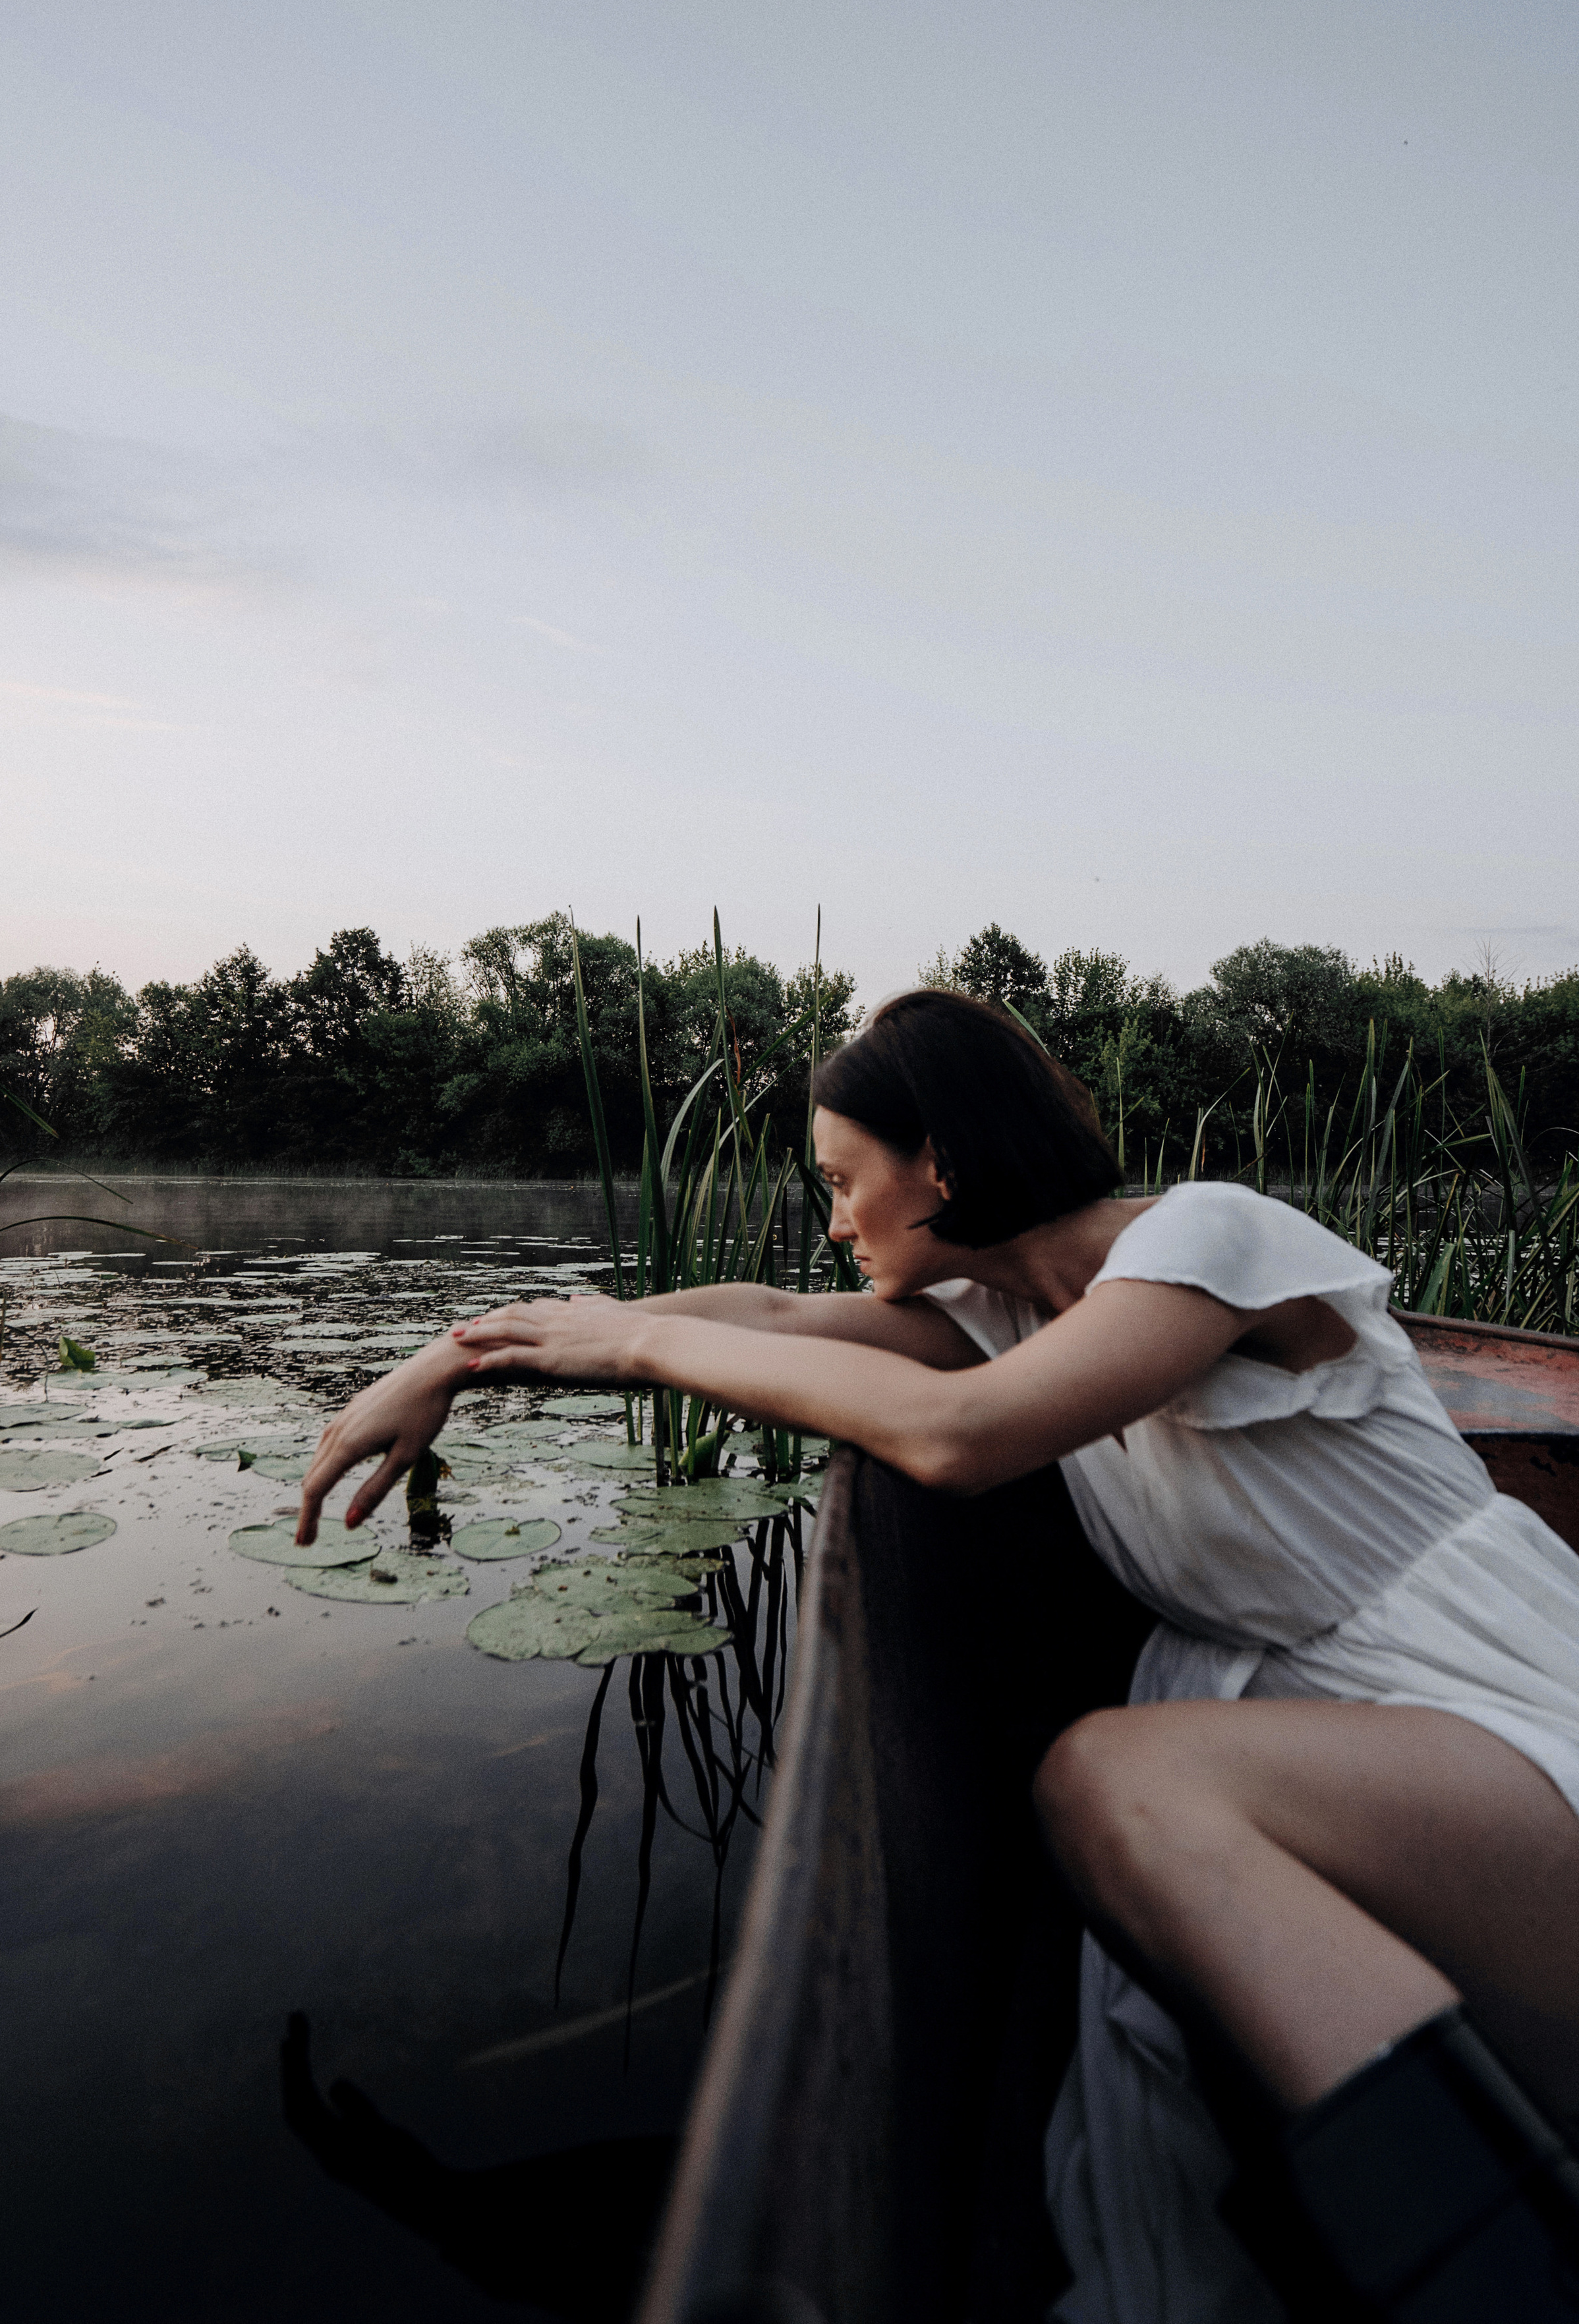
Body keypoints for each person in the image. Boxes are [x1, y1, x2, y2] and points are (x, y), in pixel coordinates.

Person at [298, 989, 1579, 2319]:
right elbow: (774, 1321)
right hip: (1350, 1758)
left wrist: (637, 1334)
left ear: (944, 1166)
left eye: (844, 1181)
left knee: (1112, 1778)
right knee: (1125, 1796)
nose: (833, 1218)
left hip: (1494, 1705)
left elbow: (957, 1437)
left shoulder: (1210, 1233)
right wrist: (444, 1361)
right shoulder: (1009, 1314)